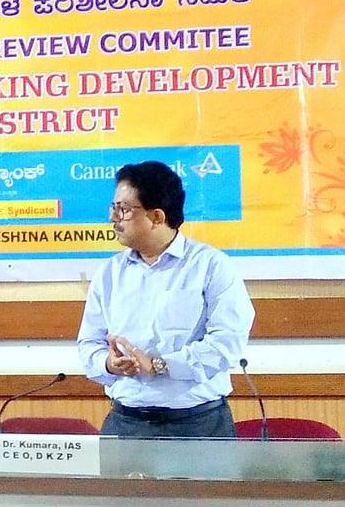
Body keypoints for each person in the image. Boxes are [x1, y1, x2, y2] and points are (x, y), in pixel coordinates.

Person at [77, 161, 255, 438]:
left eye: (123, 209)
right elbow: (89, 342)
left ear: (157, 216)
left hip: (199, 424)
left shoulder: (211, 266)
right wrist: (108, 364)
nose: (113, 218)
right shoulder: (110, 272)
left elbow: (227, 343)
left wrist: (160, 365)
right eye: (113, 208)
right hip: (126, 423)